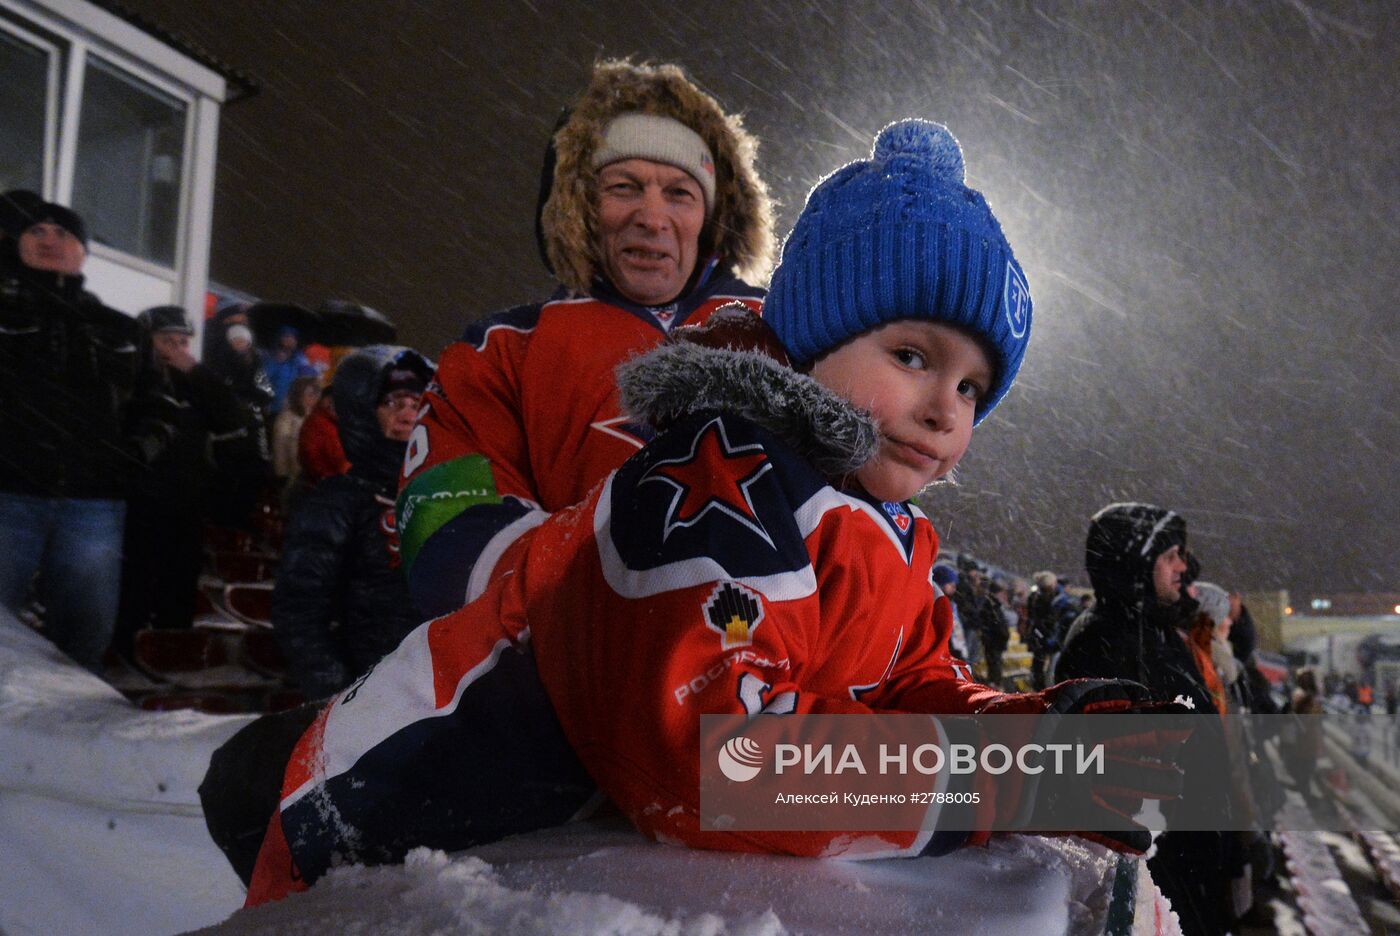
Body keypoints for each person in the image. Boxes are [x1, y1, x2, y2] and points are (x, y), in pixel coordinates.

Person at [241, 120, 1180, 905]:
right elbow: (722, 766)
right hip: (378, 831)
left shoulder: (889, 532)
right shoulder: (717, 476)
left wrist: (1041, 732)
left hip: (537, 851)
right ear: (816, 333)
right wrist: (1004, 781)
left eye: (975, 387)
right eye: (911, 355)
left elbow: (905, 687)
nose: (947, 410)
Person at [396, 58, 775, 620]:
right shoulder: (501, 349)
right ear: (580, 210)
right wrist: (604, 614)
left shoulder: (788, 333)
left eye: (679, 194)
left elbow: (863, 520)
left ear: (713, 217)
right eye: (623, 187)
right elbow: (446, 528)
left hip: (769, 685)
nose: (652, 216)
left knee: (932, 716)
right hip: (574, 683)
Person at [1055, 504, 1234, 936]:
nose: (1183, 567)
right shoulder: (1106, 641)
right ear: (1135, 563)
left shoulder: (1151, 628)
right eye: (1171, 556)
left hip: (1190, 850)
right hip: (1161, 864)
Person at [0, 198, 146, 672]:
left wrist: (134, 453)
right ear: (16, 243)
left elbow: (156, 401)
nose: (49, 240)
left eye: (62, 234)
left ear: (82, 251)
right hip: (9, 496)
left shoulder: (118, 327)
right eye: (36, 231)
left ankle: (61, 742)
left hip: (93, 504)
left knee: (84, 638)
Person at [271, 346, 433, 699]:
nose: (407, 417)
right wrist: (342, 696)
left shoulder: (441, 494)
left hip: (429, 692)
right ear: (363, 413)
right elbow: (299, 611)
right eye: (393, 404)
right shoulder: (338, 500)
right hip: (367, 693)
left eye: (416, 405)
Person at [114, 306, 250, 651]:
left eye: (182, 342)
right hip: (137, 504)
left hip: (184, 502)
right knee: (134, 585)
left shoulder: (193, 387)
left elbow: (232, 415)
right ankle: (124, 649)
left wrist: (198, 372)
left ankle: (169, 651)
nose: (175, 349)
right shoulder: (128, 380)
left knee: (178, 587)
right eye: (166, 341)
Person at [271, 375, 320, 492]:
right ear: (298, 396)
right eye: (310, 394)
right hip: (297, 480)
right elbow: (280, 450)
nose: (314, 397)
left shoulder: (320, 417)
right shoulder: (286, 420)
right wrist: (281, 476)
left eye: (316, 393)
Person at [260, 325, 317, 414]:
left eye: (293, 338)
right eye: (286, 336)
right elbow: (263, 380)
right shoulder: (270, 358)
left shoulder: (299, 359)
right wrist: (265, 401)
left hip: (291, 408)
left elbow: (309, 377)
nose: (290, 340)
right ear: (279, 338)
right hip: (272, 407)